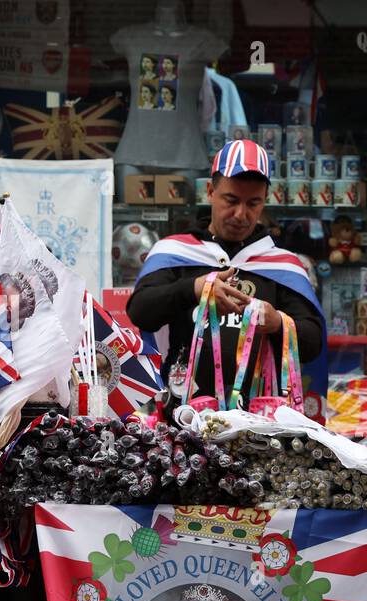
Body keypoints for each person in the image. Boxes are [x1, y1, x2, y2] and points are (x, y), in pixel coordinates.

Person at [127, 139, 325, 406]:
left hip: (261, 422)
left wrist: (278, 323)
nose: (241, 214)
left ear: (265, 200)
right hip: (185, 415)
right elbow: (140, 311)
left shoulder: (281, 265)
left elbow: (313, 344)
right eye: (231, 200)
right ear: (210, 191)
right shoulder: (175, 253)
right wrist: (194, 289)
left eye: (253, 203)